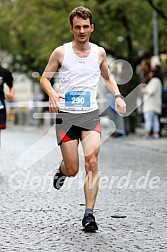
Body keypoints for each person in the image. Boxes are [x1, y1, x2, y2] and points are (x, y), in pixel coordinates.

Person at [40, 6, 126, 231]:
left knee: (93, 162)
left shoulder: (99, 53)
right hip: (66, 116)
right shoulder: (61, 52)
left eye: (85, 27)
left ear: (92, 27)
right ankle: (63, 169)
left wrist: (117, 96)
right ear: (71, 28)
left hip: (89, 114)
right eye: (77, 27)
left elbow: (107, 77)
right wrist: (52, 93)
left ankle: (89, 214)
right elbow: (45, 78)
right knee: (73, 169)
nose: (81, 31)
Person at [141, 70, 162, 139]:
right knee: (155, 119)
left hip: (150, 105)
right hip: (154, 105)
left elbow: (151, 91)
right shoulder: (158, 81)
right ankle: (156, 134)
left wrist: (143, 90)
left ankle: (148, 133)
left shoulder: (155, 80)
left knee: (148, 119)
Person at [0, 64, 15, 129]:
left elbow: (12, 87)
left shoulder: (4, 72)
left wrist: (11, 94)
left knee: (1, 125)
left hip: (0, 102)